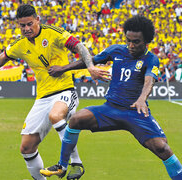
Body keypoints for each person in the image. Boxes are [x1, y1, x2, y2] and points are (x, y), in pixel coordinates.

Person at [0, 4, 110, 180]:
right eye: (22, 25)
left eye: (30, 24)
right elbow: (1, 59)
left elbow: (80, 47)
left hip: (65, 90)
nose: (26, 29)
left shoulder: (53, 33)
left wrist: (90, 67)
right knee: (26, 148)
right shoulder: (20, 44)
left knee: (56, 116)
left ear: (37, 20)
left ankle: (75, 163)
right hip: (42, 97)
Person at [40, 15, 182, 180]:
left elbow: (149, 80)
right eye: (128, 40)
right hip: (110, 109)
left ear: (146, 42)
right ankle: (62, 166)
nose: (131, 45)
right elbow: (90, 61)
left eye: (136, 42)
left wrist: (142, 98)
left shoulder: (151, 59)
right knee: (76, 120)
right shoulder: (116, 50)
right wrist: (63, 68)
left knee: (162, 148)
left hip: (136, 112)